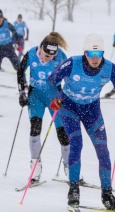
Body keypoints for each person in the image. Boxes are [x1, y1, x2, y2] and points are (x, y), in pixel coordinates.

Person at [48, 34, 115, 210]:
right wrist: (57, 97)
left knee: (103, 150)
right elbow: (53, 79)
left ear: (103, 53)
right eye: (91, 54)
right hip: (69, 108)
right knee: (76, 144)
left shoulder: (109, 68)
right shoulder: (72, 63)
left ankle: (107, 195)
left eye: (99, 53)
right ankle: (74, 190)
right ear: (84, 53)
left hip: (91, 111)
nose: (95, 58)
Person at [17, 32, 71, 182]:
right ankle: (35, 168)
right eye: (45, 55)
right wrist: (22, 92)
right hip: (36, 97)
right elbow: (21, 71)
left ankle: (69, 167)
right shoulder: (31, 54)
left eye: (51, 56)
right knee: (35, 129)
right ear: (40, 48)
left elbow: (69, 77)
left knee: (63, 134)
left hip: (55, 98)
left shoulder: (61, 56)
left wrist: (67, 96)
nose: (47, 58)